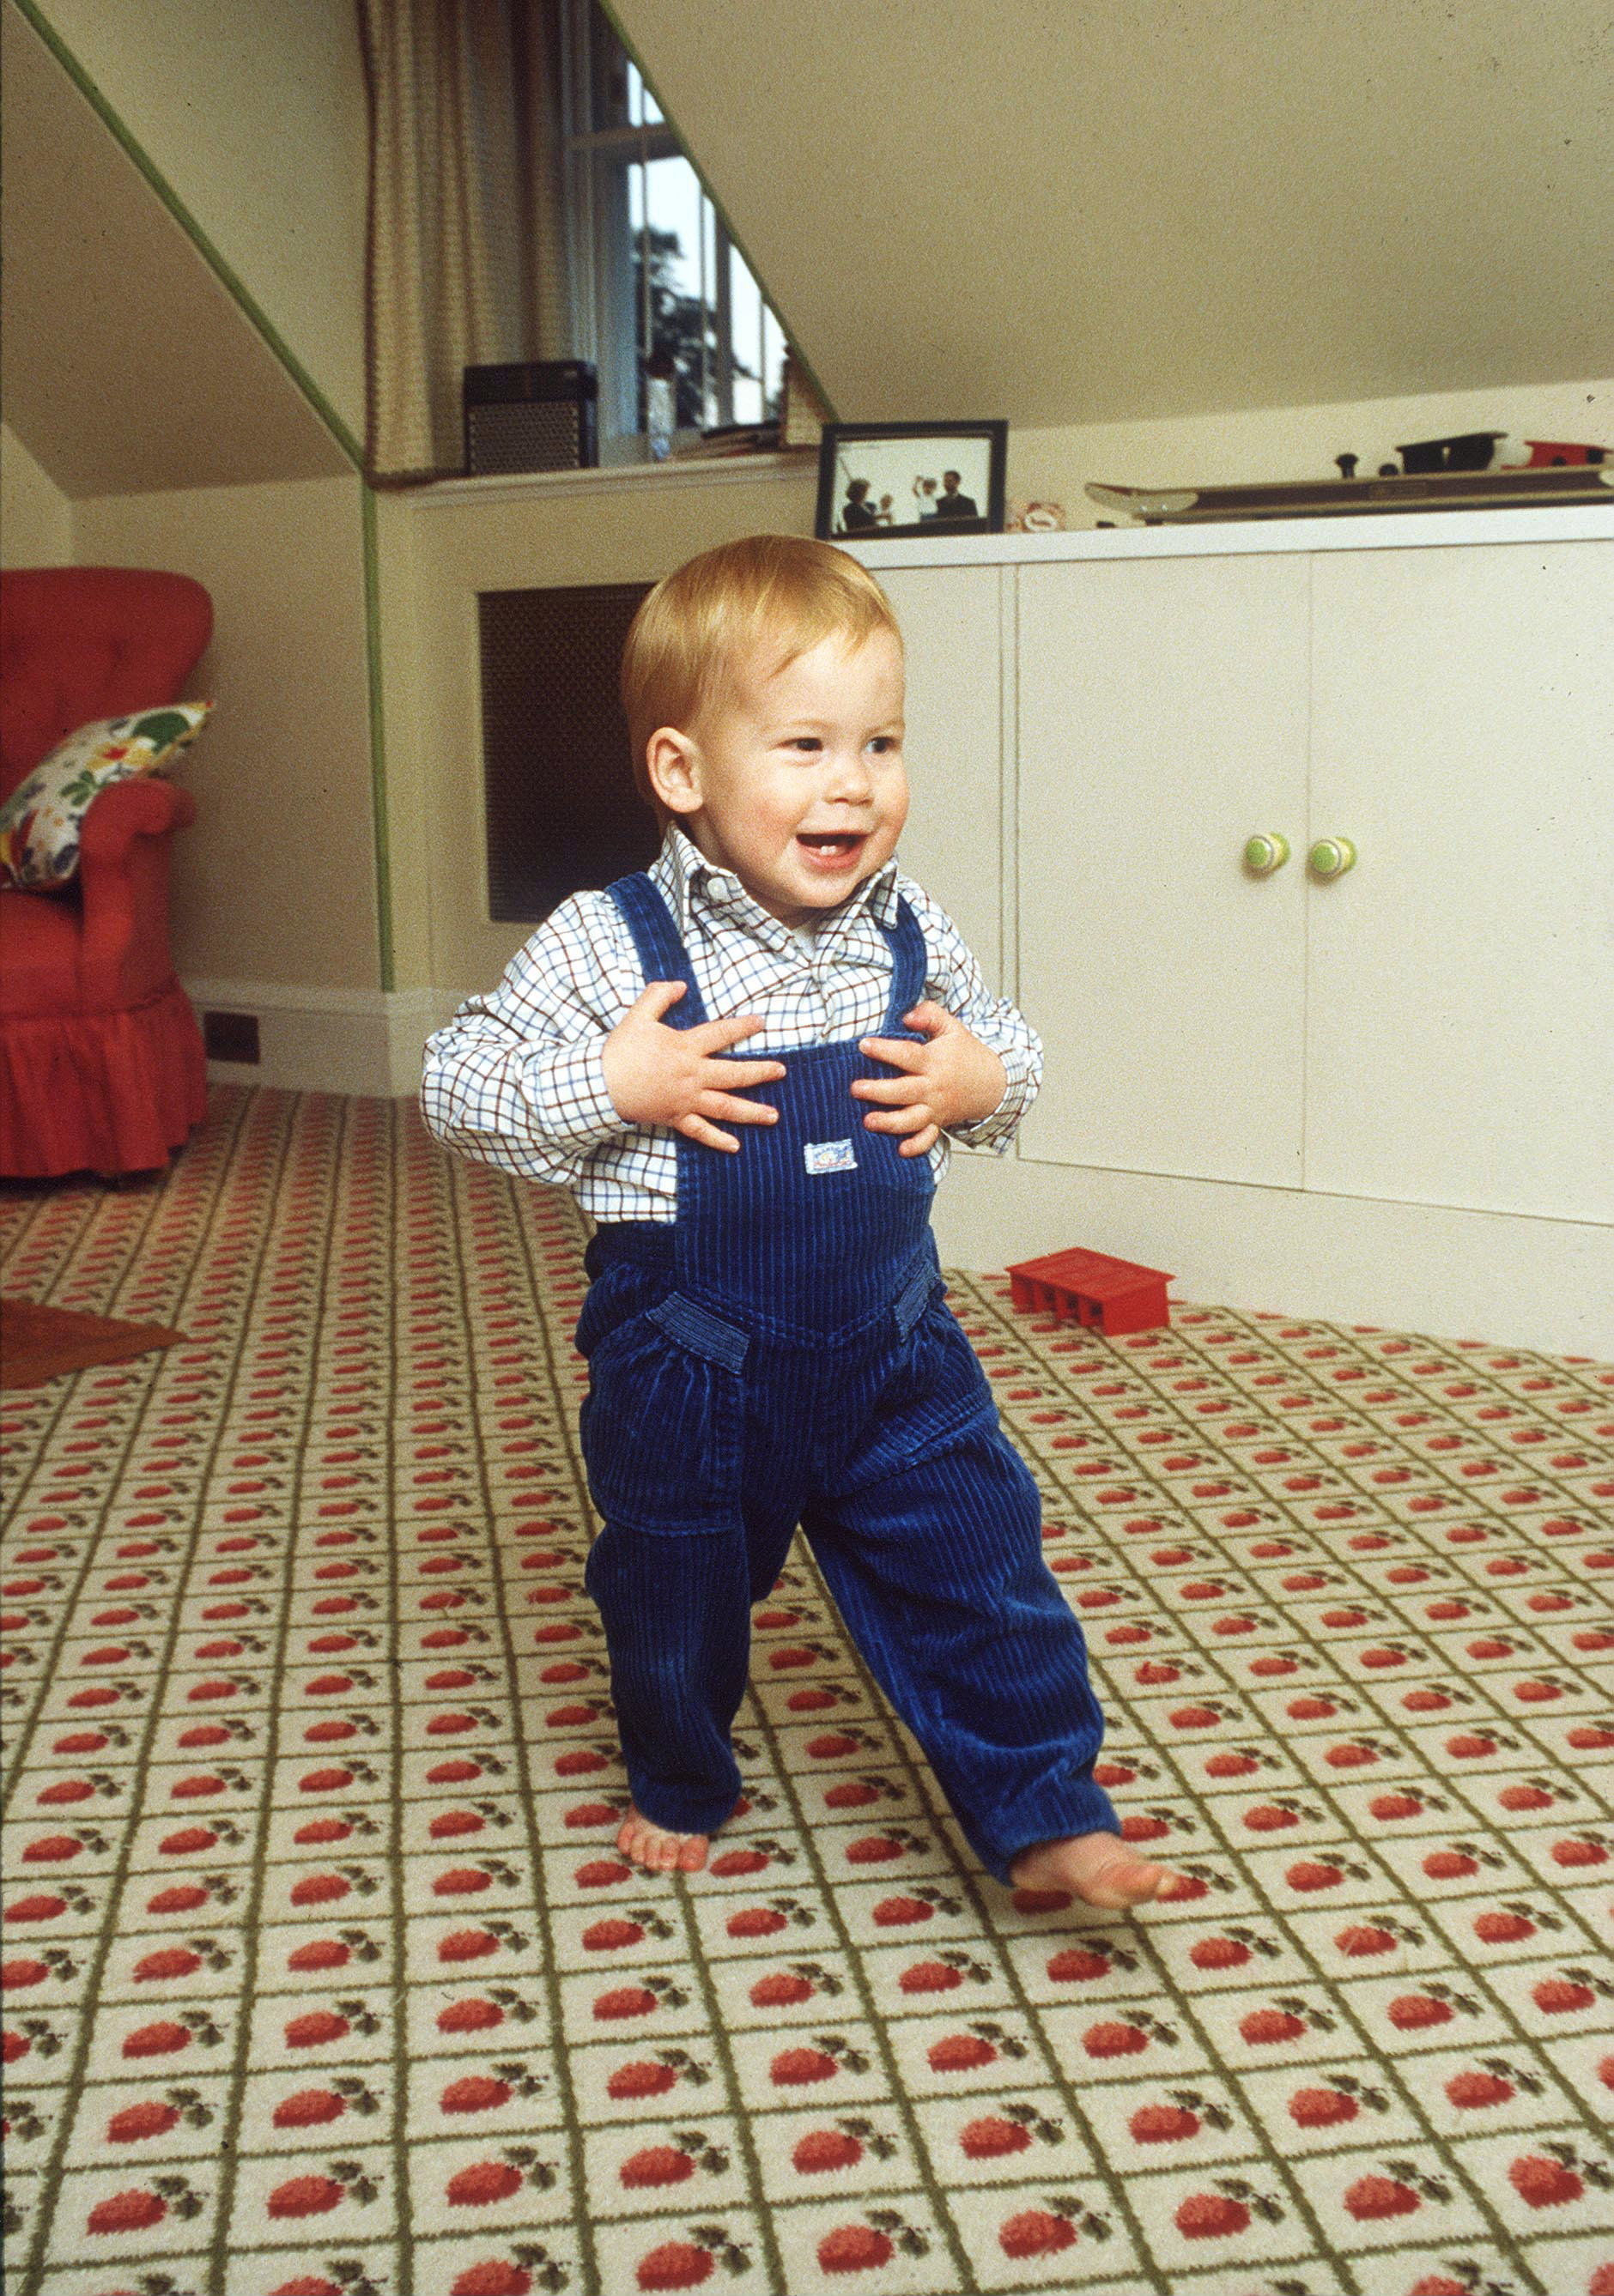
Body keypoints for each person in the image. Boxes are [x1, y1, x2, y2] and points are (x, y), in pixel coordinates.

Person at [421, 535, 1184, 1913]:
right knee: (676, 1589)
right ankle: (679, 1772)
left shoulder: (913, 934)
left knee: (984, 1568)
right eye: (805, 746)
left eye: (881, 742)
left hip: (898, 1346)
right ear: (683, 772)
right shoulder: (609, 945)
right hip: (691, 1359)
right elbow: (456, 1083)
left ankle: (1047, 1810)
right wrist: (613, 1081)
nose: (853, 783)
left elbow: (1006, 1040)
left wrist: (980, 1080)